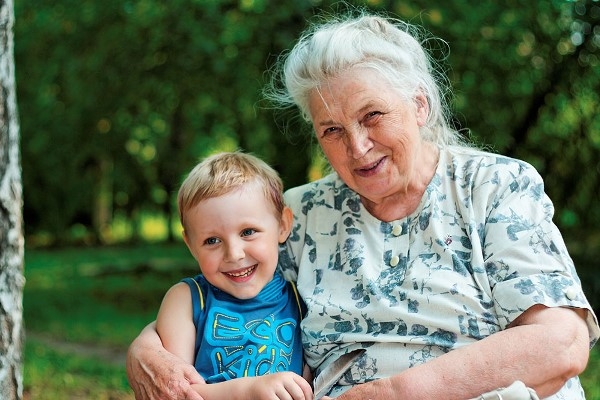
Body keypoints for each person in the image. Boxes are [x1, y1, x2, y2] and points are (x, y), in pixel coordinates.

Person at [126, 9, 600, 400]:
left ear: (419, 104)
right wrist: (146, 351)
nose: (356, 147)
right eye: (331, 130)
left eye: (372, 116)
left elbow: (561, 342)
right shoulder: (303, 214)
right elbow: (223, 288)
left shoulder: (493, 186)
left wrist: (395, 393)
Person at [150, 151, 312, 400]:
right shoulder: (186, 300)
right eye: (212, 240)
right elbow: (174, 391)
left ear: (282, 225)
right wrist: (249, 391)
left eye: (248, 231)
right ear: (191, 244)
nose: (234, 254)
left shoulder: (301, 300)